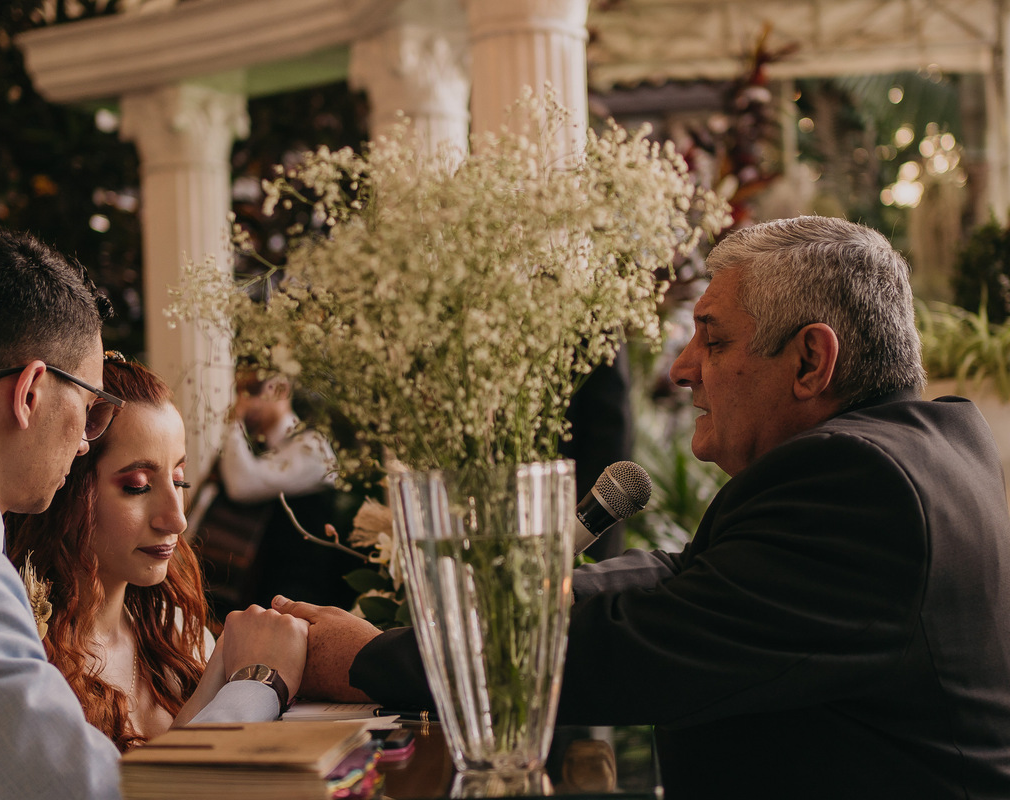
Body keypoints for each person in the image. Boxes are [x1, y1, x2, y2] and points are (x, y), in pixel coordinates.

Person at [274, 216, 1010, 799]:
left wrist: (370, 657)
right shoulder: (915, 454)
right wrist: (488, 604)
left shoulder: (859, 482)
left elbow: (639, 648)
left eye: (713, 341)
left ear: (812, 361)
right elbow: (681, 575)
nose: (682, 368)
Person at [0, 228, 304, 800]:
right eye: (92, 409)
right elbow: (89, 792)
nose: (82, 444)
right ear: (30, 393)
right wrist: (256, 684)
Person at [6, 354, 306, 751]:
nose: (176, 520)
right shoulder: (22, 646)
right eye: (138, 486)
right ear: (69, 488)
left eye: (179, 482)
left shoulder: (179, 635)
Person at [193, 367, 354, 613]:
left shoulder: (311, 446)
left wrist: (234, 422)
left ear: (282, 389)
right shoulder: (261, 452)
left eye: (253, 391)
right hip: (260, 591)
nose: (245, 402)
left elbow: (242, 486)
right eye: (240, 393)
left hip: (301, 598)